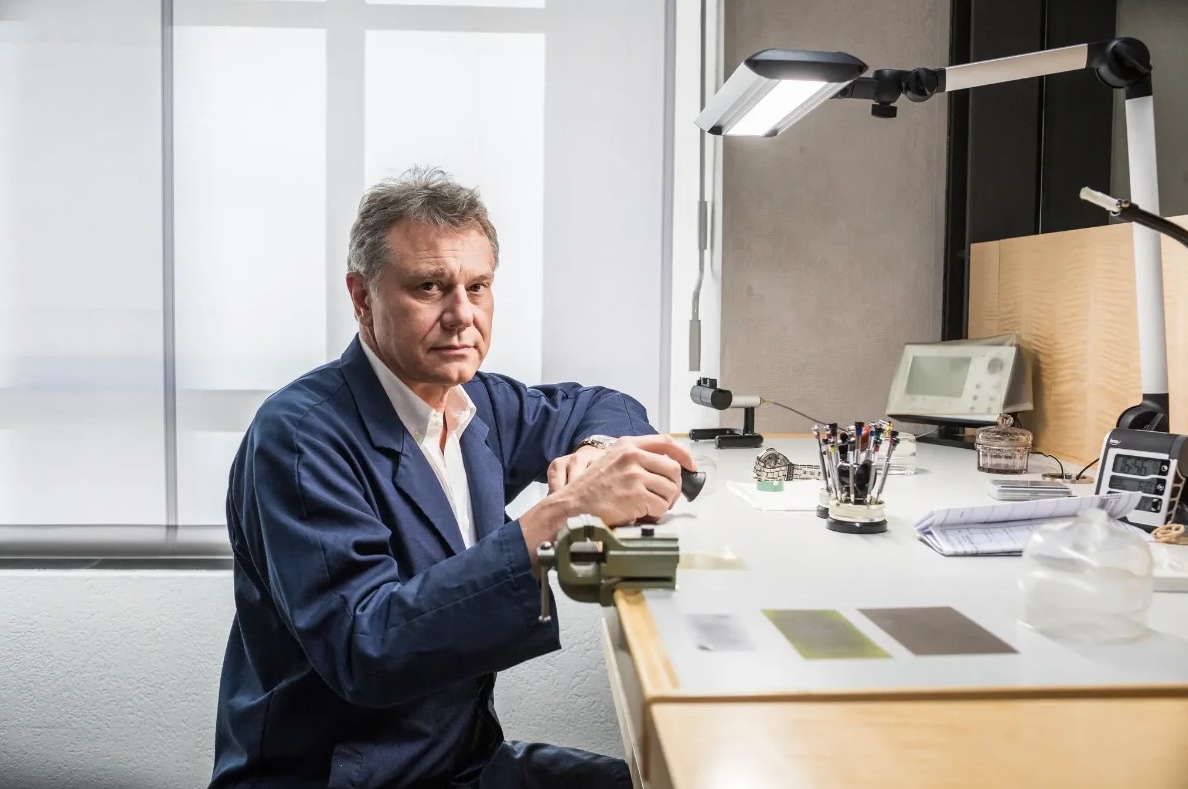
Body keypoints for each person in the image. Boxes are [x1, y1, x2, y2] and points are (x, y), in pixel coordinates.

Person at [209, 166, 695, 789]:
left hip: (458, 762)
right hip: (343, 777)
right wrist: (555, 517)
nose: (461, 315)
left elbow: (601, 403)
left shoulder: (472, 404)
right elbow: (366, 648)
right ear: (361, 297)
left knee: (677, 777)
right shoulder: (300, 438)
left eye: (478, 286)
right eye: (430, 287)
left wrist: (597, 450)